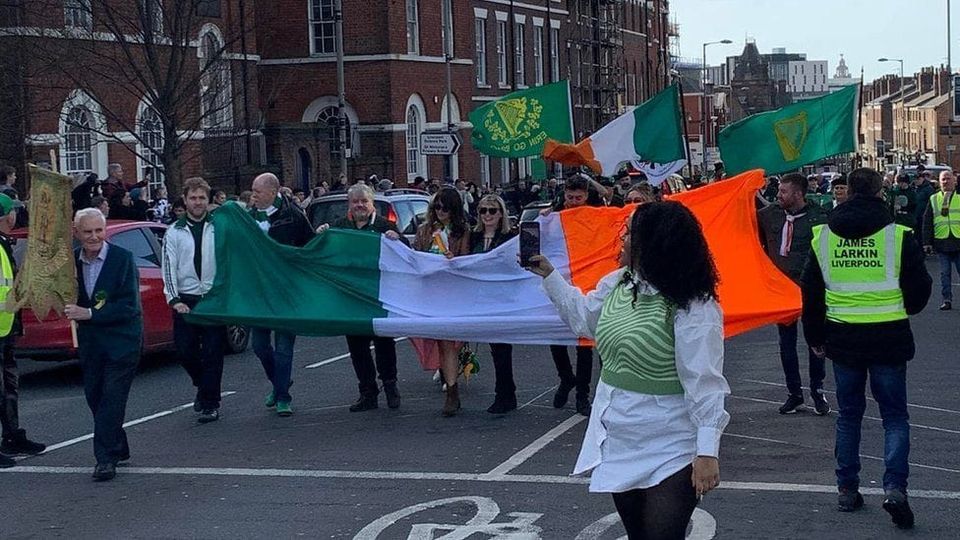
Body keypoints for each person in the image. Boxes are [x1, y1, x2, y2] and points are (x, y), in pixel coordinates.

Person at [529, 201, 729, 540]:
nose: (621, 239)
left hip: (671, 444)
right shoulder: (618, 283)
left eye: (629, 233)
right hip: (619, 437)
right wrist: (550, 275)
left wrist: (707, 451)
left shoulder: (695, 305)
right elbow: (584, 319)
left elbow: (704, 382)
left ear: (653, 243)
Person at [802, 168, 930, 529]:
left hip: (843, 340)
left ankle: (846, 488)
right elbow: (920, 290)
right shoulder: (898, 236)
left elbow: (810, 294)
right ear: (879, 193)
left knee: (849, 415)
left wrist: (814, 337)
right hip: (888, 337)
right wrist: (902, 307)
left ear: (846, 192)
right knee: (894, 417)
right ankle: (894, 488)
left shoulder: (823, 237)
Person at [64, 208, 144, 482]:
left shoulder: (122, 259)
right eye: (87, 232)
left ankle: (105, 459)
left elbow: (128, 307)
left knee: (111, 399)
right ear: (77, 233)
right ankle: (118, 445)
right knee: (96, 397)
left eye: (99, 230)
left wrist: (89, 314)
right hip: (92, 344)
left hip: (122, 342)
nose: (94, 237)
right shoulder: (71, 264)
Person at [317, 183, 406, 412]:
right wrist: (322, 236)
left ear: (371, 203)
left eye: (363, 201)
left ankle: (390, 386)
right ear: (349, 204)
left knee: (384, 342)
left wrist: (397, 238)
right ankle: (367, 392)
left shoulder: (385, 226)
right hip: (352, 297)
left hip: (379, 295)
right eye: (355, 201)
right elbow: (324, 251)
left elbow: (406, 253)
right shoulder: (341, 227)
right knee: (357, 346)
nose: (359, 205)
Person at [757, 173, 830, 415]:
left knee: (815, 341)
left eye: (784, 192)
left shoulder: (819, 218)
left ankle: (817, 391)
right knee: (786, 344)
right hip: (780, 288)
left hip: (810, 288)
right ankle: (794, 393)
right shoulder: (769, 215)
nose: (779, 196)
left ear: (798, 194)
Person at [249, 173, 315, 416]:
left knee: (284, 347)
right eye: (253, 191)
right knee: (259, 346)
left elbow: (309, 246)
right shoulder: (248, 217)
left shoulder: (292, 215)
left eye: (257, 191)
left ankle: (283, 398)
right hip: (259, 293)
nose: (253, 195)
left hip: (287, 292)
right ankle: (280, 383)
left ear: (272, 191)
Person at [161, 177, 225, 424]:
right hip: (185, 299)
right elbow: (168, 267)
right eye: (193, 198)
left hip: (212, 299)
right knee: (185, 351)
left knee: (212, 353)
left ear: (208, 201)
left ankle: (211, 403)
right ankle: (203, 384)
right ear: (185, 200)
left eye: (202, 198)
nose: (197, 203)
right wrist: (174, 299)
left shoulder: (218, 226)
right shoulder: (174, 231)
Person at [413, 187, 471, 416]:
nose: (440, 211)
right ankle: (448, 378)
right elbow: (413, 255)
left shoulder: (461, 231)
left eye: (445, 208)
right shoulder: (424, 230)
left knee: (447, 342)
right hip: (429, 293)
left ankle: (452, 392)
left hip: (451, 293)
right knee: (437, 340)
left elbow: (467, 261)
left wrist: (453, 259)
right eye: (437, 207)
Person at [543, 175, 598, 416]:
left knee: (583, 342)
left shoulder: (597, 217)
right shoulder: (554, 217)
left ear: (586, 196)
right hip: (559, 281)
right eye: (570, 197)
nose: (574, 202)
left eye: (578, 197)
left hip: (585, 282)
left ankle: (582, 394)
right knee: (556, 337)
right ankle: (566, 377)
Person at [0, 194, 45, 468]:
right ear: (8, 216)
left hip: (6, 327)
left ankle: (13, 435)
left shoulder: (5, 244)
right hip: (2, 326)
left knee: (8, 387)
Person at [469, 194, 519, 414]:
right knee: (494, 348)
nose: (487, 215)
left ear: (501, 213)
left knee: (501, 348)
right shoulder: (473, 237)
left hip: (502, 298)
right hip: (480, 298)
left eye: (492, 211)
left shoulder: (510, 236)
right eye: (483, 211)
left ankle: (505, 394)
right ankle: (506, 392)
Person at [922, 170, 960, 310]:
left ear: (955, 181)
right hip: (942, 242)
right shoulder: (933, 199)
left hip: (958, 241)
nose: (946, 181)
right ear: (939, 182)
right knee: (945, 274)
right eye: (943, 179)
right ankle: (947, 299)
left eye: (948, 179)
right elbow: (927, 221)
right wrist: (926, 242)